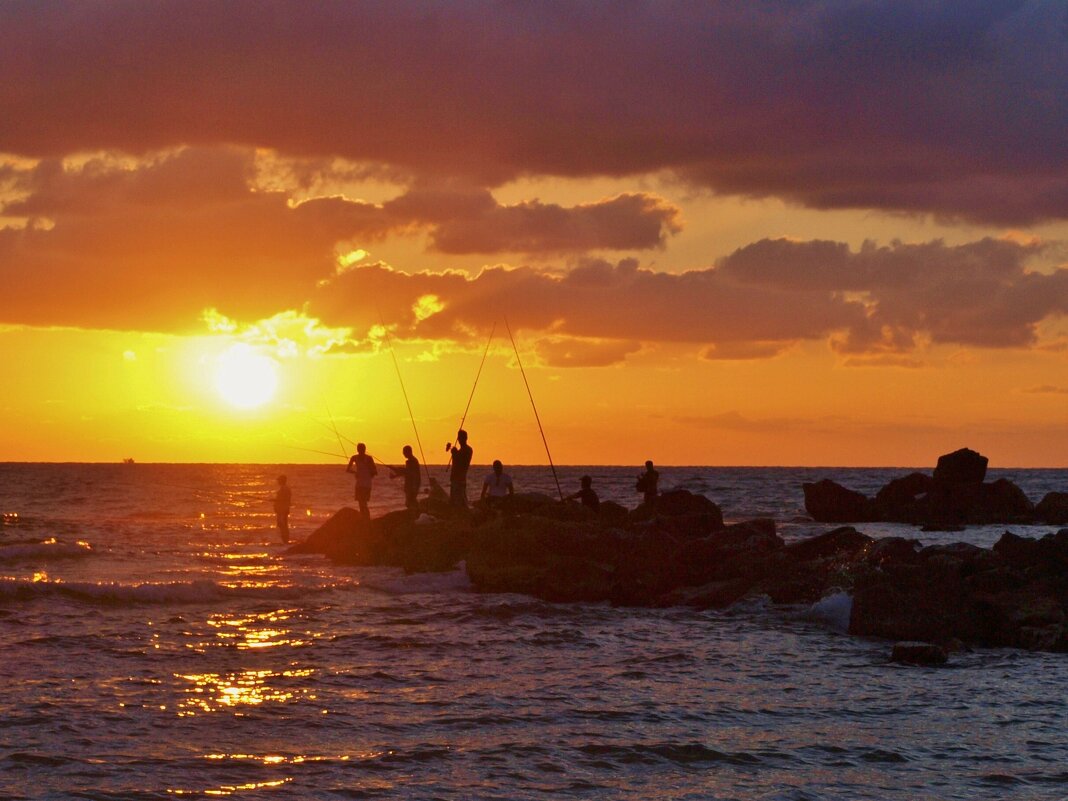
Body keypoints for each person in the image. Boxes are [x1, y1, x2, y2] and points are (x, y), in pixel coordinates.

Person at [346, 442, 377, 521]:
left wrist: (357, 473)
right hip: (362, 483)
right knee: (362, 502)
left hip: (364, 484)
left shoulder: (367, 458)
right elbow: (374, 472)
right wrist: (357, 473)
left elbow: (375, 471)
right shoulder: (355, 458)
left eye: (361, 449)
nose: (360, 450)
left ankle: (365, 519)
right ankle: (365, 518)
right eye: (360, 449)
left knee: (362, 502)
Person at [389, 445, 421, 516]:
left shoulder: (411, 461)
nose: (403, 454)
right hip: (412, 484)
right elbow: (406, 472)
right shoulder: (413, 460)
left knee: (409, 502)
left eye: (404, 452)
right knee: (412, 501)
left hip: (412, 485)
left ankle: (416, 515)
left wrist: (395, 468)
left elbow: (407, 472)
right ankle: (417, 513)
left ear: (408, 452)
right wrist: (395, 475)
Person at [446, 429, 473, 508]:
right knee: (455, 499)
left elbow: (460, 462)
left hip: (459, 478)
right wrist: (454, 451)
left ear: (465, 438)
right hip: (456, 478)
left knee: (459, 500)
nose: (458, 439)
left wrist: (455, 453)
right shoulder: (461, 450)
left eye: (460, 437)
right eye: (458, 437)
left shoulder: (467, 450)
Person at [274, 474, 292, 543]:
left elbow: (282, 500)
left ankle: (285, 540)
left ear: (282, 481)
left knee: (282, 524)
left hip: (282, 510)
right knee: (282, 524)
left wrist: (275, 501)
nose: (278, 481)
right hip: (283, 509)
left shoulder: (284, 489)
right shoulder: (285, 488)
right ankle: (285, 539)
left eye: (279, 480)